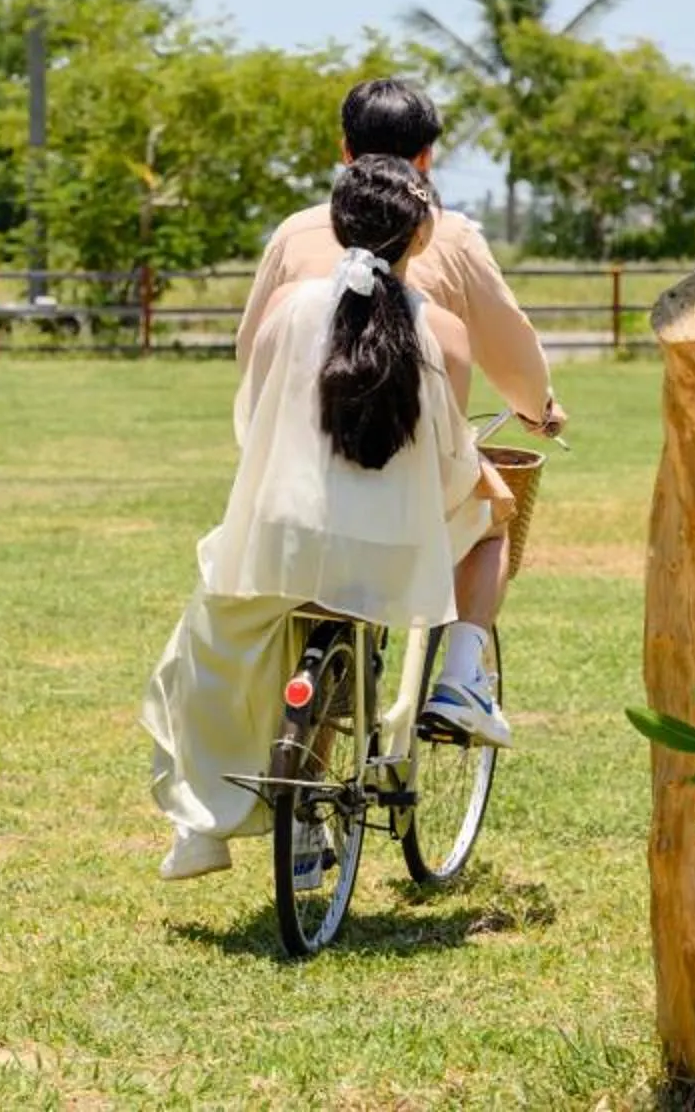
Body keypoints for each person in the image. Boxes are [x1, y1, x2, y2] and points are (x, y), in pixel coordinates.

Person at [141, 156, 515, 882]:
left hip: (283, 546)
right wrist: (483, 483)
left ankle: (199, 822)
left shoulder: (288, 308)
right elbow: (446, 459)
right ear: (422, 233)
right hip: (390, 560)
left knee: (199, 661)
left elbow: (254, 421)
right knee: (493, 523)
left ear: (337, 224)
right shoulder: (442, 329)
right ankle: (462, 681)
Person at [234, 76, 558, 743]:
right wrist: (537, 405)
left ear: (344, 149)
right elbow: (509, 347)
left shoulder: (295, 234)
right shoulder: (448, 238)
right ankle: (461, 679)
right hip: (403, 487)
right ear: (427, 158)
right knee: (494, 517)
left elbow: (252, 358)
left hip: (296, 483)